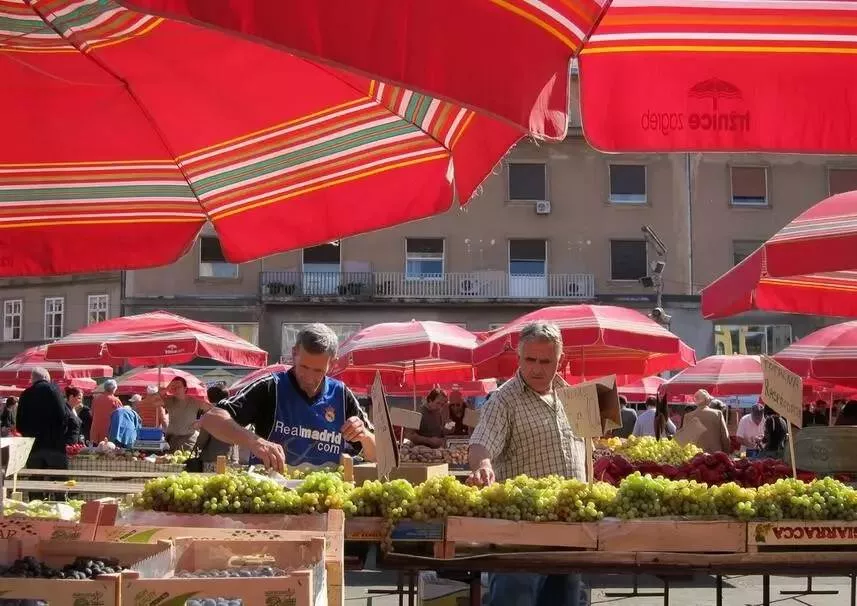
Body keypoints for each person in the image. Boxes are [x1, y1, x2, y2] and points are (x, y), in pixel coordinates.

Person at [468, 321, 584, 606]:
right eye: (530, 359)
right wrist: (483, 465)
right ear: (518, 358)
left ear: (560, 360)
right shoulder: (504, 401)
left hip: (569, 532)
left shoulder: (571, 395)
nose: (537, 369)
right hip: (521, 537)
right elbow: (481, 442)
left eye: (546, 361)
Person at [201, 323, 376, 470]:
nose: (309, 378)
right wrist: (255, 442)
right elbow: (211, 418)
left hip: (326, 495)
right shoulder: (270, 387)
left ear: (333, 364)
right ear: (294, 353)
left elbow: (378, 454)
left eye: (318, 371)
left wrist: (365, 436)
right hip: (272, 492)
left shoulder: (342, 394)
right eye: (304, 367)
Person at [16, 368, 69, 472]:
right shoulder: (54, 391)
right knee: (57, 479)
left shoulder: (25, 395)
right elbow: (64, 416)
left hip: (33, 447)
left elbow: (19, 424)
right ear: (45, 377)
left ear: (32, 379)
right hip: (55, 446)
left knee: (36, 479)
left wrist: (28, 434)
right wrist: (61, 434)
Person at [161, 376, 211, 452]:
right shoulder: (169, 400)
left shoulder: (195, 401)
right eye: (173, 386)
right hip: (171, 440)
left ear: (185, 388)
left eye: (178, 386)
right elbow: (153, 401)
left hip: (188, 440)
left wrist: (201, 422)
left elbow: (211, 410)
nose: (175, 389)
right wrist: (166, 389)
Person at [682, 389, 731, 454]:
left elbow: (685, 440)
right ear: (707, 400)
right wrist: (726, 453)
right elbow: (725, 437)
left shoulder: (688, 416)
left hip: (695, 455)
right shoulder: (717, 414)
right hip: (715, 455)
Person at [196, 384, 234, 463]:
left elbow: (202, 441)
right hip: (230, 456)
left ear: (209, 399)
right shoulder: (232, 413)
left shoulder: (210, 415)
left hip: (211, 458)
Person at [90, 379, 122, 445]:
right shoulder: (116, 401)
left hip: (95, 433)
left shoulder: (96, 399)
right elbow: (121, 418)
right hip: (108, 435)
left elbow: (92, 414)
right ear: (114, 389)